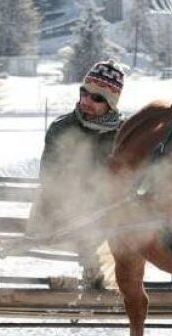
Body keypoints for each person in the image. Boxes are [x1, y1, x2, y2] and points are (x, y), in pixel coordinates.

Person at [28, 60, 126, 289]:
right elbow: (50, 178)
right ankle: (95, 270)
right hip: (60, 213)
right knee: (86, 207)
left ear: (111, 103)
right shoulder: (62, 128)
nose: (87, 101)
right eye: (84, 93)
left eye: (97, 98)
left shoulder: (125, 132)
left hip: (108, 214)